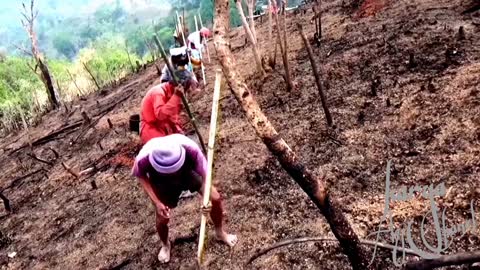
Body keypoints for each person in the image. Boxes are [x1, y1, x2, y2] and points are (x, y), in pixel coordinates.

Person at [132, 134, 238, 263]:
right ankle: (165, 245)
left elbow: (206, 177)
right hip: (160, 180)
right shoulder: (144, 158)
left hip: (187, 172)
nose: (172, 172)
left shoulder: (191, 149)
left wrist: (206, 201)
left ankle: (220, 232)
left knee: (215, 197)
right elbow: (141, 176)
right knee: (162, 217)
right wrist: (157, 202)